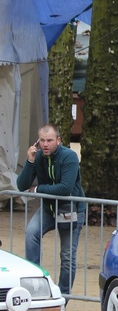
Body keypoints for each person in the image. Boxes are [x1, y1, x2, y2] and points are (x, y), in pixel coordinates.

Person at [16, 124, 85, 294]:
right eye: (42, 140)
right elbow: (21, 185)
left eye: (50, 140)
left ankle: (63, 297)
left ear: (58, 141)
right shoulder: (38, 156)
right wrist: (30, 161)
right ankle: (35, 286)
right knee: (31, 233)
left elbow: (65, 188)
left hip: (71, 209)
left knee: (67, 256)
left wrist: (38, 189)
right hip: (48, 208)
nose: (45, 144)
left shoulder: (69, 156)